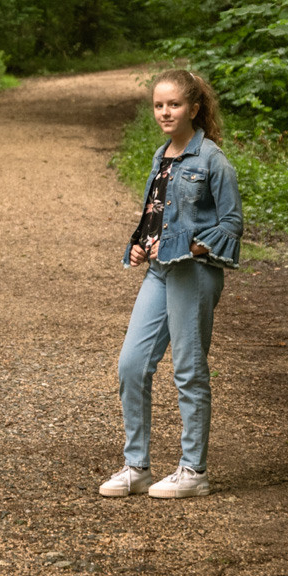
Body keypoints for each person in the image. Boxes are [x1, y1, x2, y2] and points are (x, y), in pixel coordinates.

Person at [101, 69, 243, 500]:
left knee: (188, 370)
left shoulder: (212, 159)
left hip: (194, 274)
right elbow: (155, 214)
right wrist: (142, 245)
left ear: (194, 109)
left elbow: (232, 223)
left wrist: (195, 249)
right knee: (131, 364)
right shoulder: (161, 155)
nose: (165, 112)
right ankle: (137, 467)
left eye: (174, 105)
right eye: (159, 105)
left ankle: (193, 470)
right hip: (159, 272)